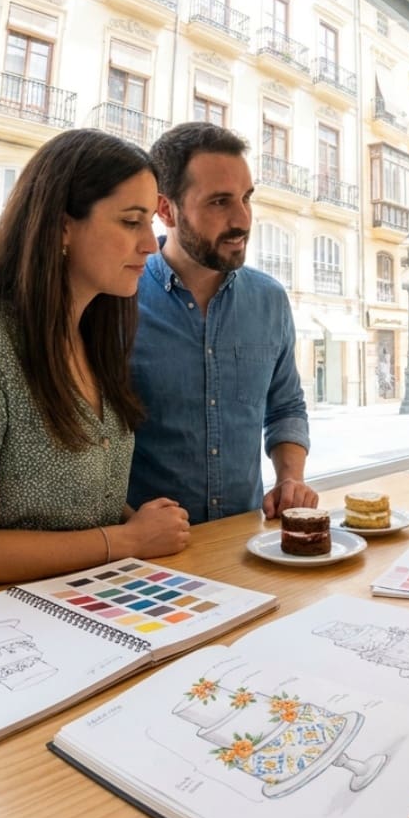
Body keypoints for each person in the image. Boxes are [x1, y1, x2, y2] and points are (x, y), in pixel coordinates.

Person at [0, 129, 190, 586]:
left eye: (150, 225)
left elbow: (73, 504)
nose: (151, 243)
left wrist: (140, 523)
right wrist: (129, 539)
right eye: (131, 222)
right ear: (62, 226)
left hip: (85, 600)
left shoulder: (94, 338)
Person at [128, 122, 318, 525]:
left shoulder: (270, 300)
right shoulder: (120, 299)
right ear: (166, 210)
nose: (242, 220)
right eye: (219, 202)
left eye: (246, 198)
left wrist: (290, 478)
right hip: (147, 552)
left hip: (244, 542)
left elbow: (285, 406)